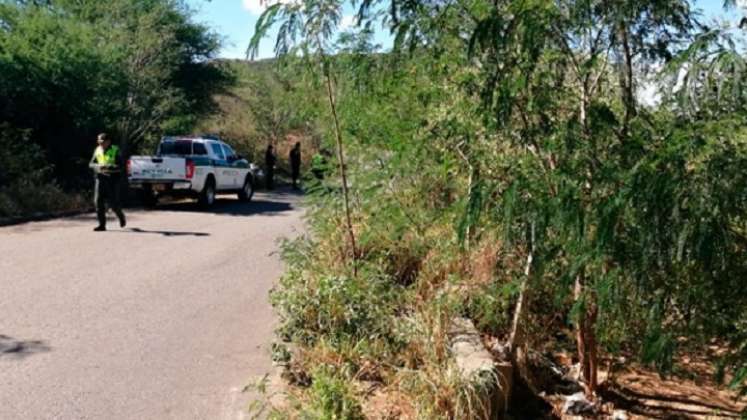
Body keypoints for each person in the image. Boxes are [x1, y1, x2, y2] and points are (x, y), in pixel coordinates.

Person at [89, 133, 126, 231]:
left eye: (102, 141)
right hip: (100, 179)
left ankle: (121, 216)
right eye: (98, 141)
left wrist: (109, 167)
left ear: (108, 141)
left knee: (113, 204)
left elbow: (121, 166)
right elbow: (91, 164)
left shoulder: (115, 150)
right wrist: (98, 167)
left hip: (112, 180)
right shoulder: (97, 150)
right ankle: (102, 225)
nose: (100, 143)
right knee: (98, 202)